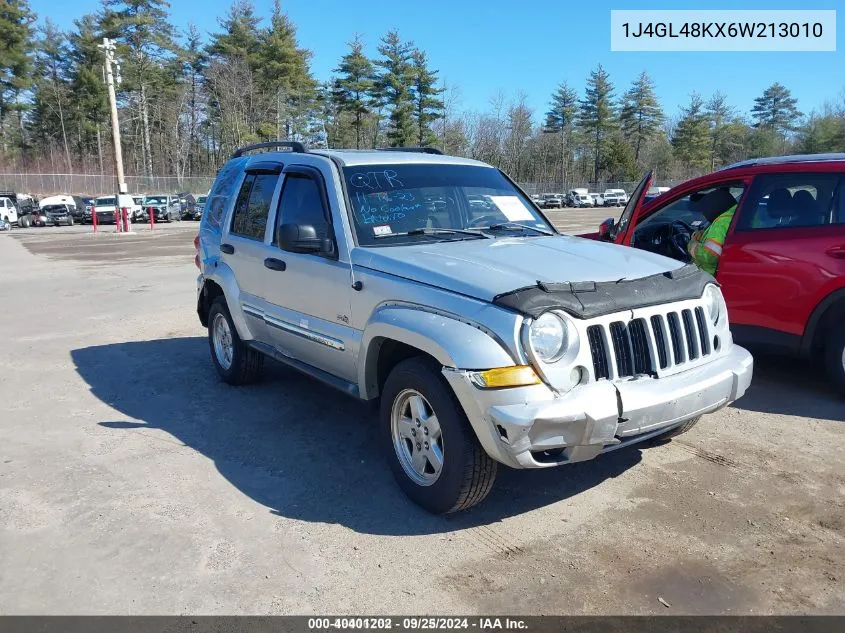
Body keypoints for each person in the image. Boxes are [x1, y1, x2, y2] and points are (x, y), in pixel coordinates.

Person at [686, 188, 738, 276]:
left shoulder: (722, 222)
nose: (705, 215)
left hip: (710, 277)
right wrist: (703, 236)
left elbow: (709, 256)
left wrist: (692, 244)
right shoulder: (739, 214)